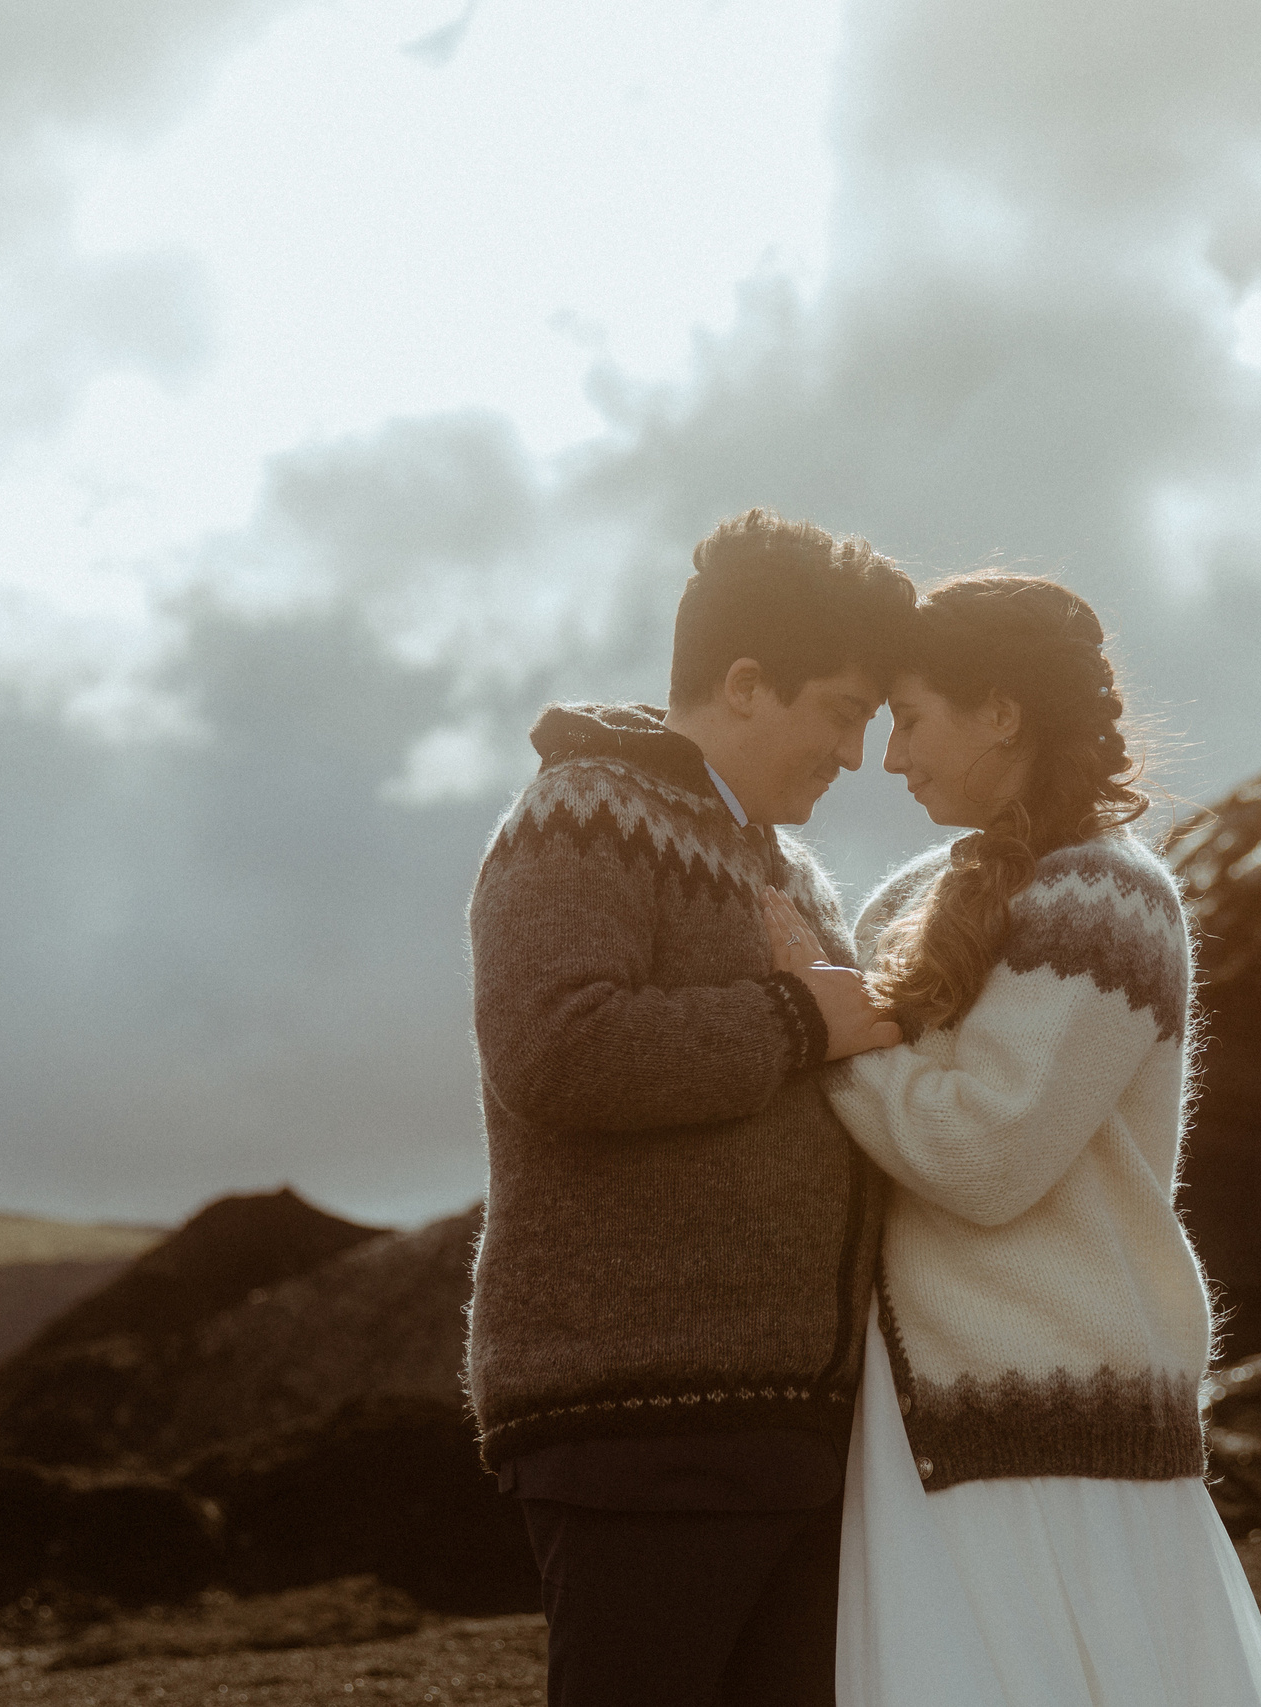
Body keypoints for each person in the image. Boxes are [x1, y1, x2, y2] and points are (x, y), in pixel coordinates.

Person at [762, 573, 1261, 1706]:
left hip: (1052, 1428)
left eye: (911, 719)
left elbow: (982, 1155)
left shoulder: (1107, 900)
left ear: (1001, 712)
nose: (891, 758)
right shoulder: (920, 893)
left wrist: (825, 1023)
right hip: (931, 1424)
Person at [465, 508, 914, 1707]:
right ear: (748, 684)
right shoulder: (583, 818)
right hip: (643, 1427)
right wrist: (797, 1018)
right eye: (843, 712)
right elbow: (556, 1051)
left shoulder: (787, 869)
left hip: (788, 1433)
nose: (856, 753)